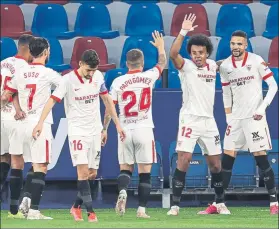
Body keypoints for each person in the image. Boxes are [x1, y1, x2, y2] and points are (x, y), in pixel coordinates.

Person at [32, 49, 125, 222]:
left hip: (95, 130)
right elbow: (51, 101)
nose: (91, 74)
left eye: (94, 70)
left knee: (92, 173)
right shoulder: (67, 80)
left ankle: (75, 206)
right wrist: (39, 122)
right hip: (78, 131)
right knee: (82, 173)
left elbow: (107, 101)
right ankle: (91, 212)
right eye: (88, 70)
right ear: (80, 64)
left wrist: (114, 126)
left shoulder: (98, 77)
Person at [167, 14, 230, 216]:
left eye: (201, 53)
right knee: (183, 159)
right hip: (189, 119)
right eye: (194, 53)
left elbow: (224, 63)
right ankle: (175, 205)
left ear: (207, 53)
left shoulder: (213, 66)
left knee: (216, 163)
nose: (197, 56)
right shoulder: (186, 66)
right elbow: (173, 53)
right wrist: (183, 31)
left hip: (209, 121)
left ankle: (219, 203)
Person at [103, 30, 166, 218]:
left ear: (126, 63)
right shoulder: (148, 77)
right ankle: (141, 210)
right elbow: (162, 64)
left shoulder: (118, 81)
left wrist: (105, 129)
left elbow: (109, 108)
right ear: (142, 63)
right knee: (145, 172)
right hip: (144, 128)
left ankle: (123, 192)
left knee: (125, 169)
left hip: (124, 129)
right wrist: (161, 47)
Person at [1, 37, 63, 220]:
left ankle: (14, 205)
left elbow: (8, 94)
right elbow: (65, 89)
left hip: (20, 122)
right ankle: (34, 210)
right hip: (39, 124)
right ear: (44, 52)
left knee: (16, 163)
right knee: (40, 165)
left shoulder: (20, 73)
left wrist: (18, 109)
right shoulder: (49, 74)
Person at [219, 30, 278, 215]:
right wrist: (228, 115)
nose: (235, 47)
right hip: (235, 119)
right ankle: (219, 203)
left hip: (254, 118)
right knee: (227, 160)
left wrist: (262, 108)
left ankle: (274, 202)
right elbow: (226, 93)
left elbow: (274, 86)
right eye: (233, 43)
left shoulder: (256, 60)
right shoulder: (225, 66)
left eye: (239, 44)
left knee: (261, 158)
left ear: (245, 45)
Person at [0, 34, 35, 219]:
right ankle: (14, 210)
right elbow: (10, 93)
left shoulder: (4, 63)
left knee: (3, 158)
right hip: (14, 118)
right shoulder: (26, 67)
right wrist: (18, 108)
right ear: (28, 48)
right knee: (17, 161)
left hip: (0, 117)